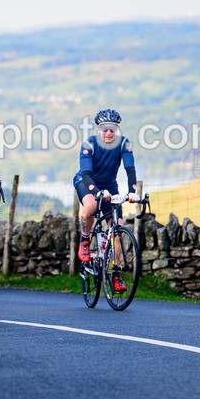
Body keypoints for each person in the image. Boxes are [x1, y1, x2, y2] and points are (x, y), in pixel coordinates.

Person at [73, 109, 139, 294]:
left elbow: (130, 169)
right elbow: (85, 173)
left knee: (116, 229)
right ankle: (85, 239)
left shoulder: (124, 143)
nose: (109, 132)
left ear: (117, 129)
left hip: (110, 185)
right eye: (105, 128)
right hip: (87, 182)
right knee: (91, 206)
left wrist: (132, 192)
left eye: (113, 129)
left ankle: (115, 276)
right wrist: (97, 191)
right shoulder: (90, 144)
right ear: (99, 128)